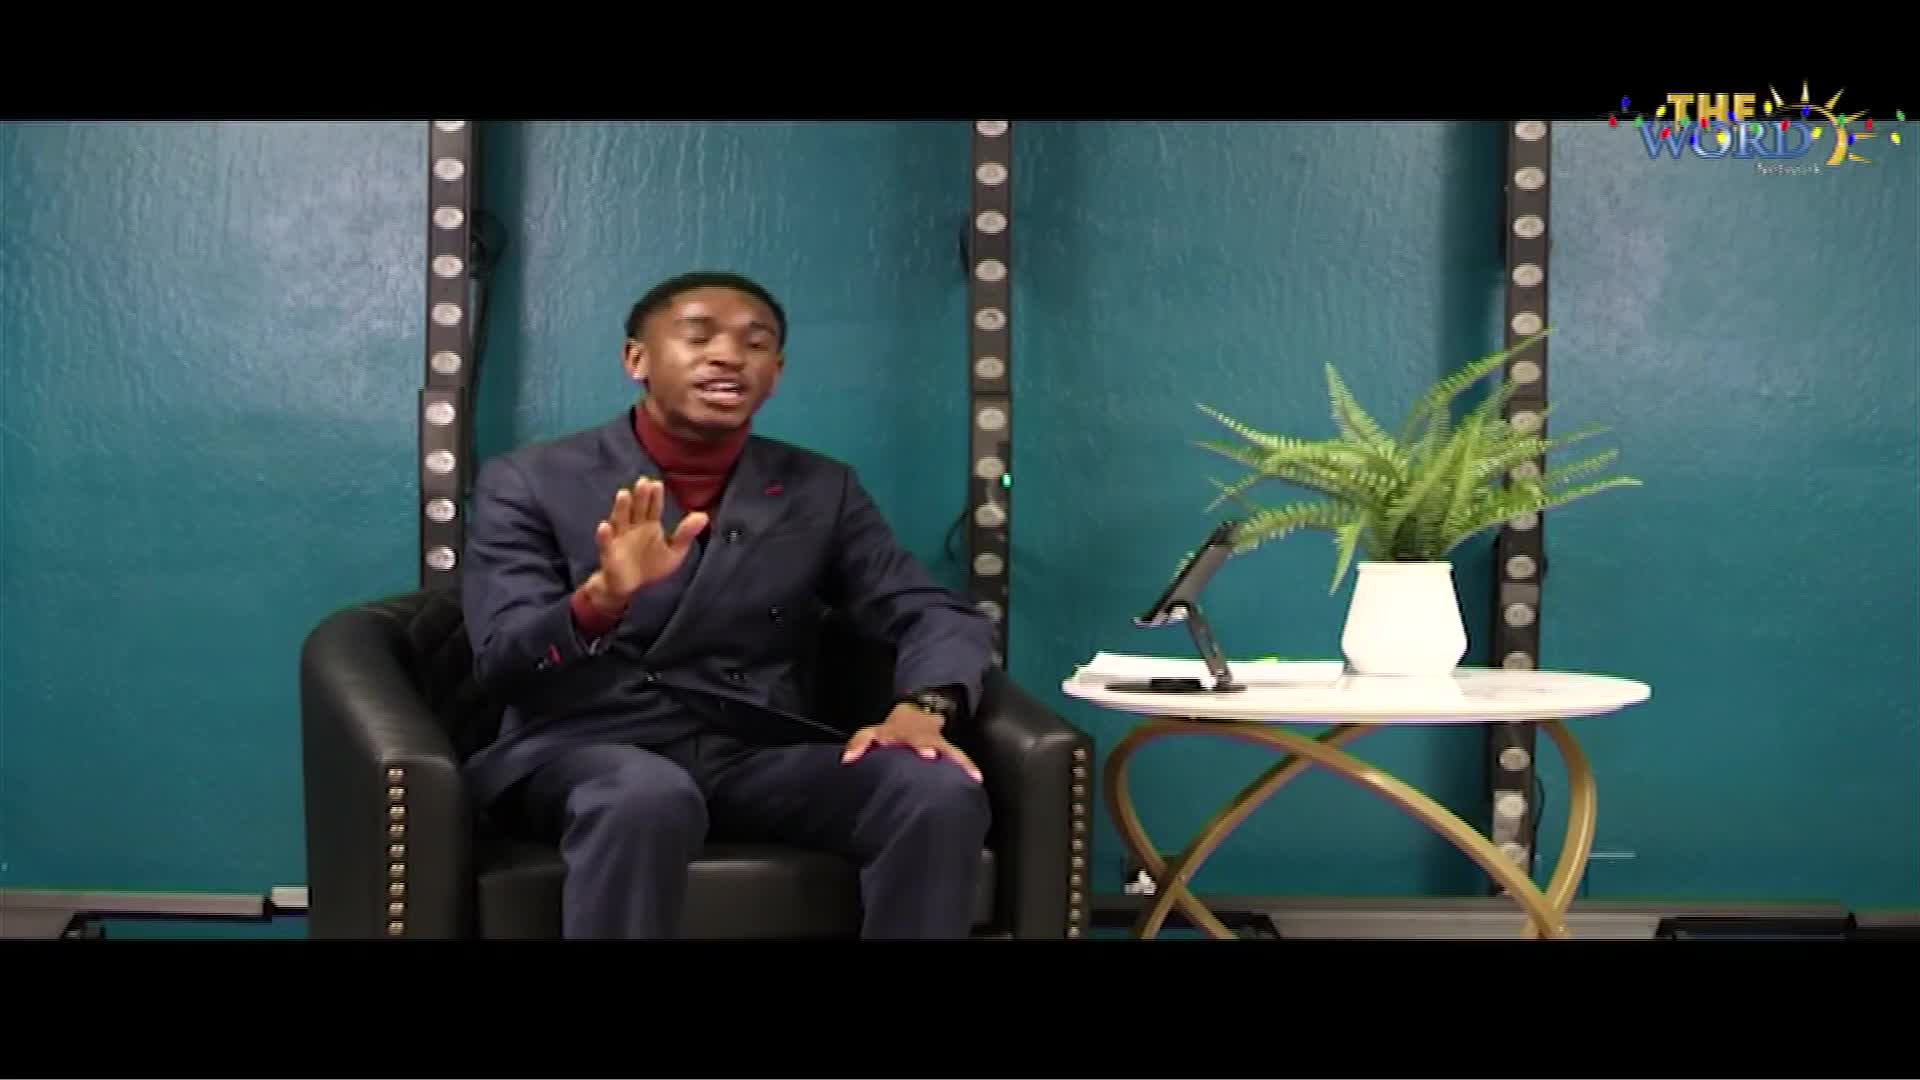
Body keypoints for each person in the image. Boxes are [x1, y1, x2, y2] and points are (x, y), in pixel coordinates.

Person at [457, 270, 997, 940]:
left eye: (755, 343)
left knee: (933, 787)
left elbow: (930, 610)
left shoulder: (819, 488)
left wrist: (924, 708)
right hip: (585, 746)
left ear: (776, 373)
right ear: (636, 360)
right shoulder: (530, 480)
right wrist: (600, 600)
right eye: (698, 336)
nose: (728, 356)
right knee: (644, 795)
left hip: (751, 749)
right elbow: (502, 659)